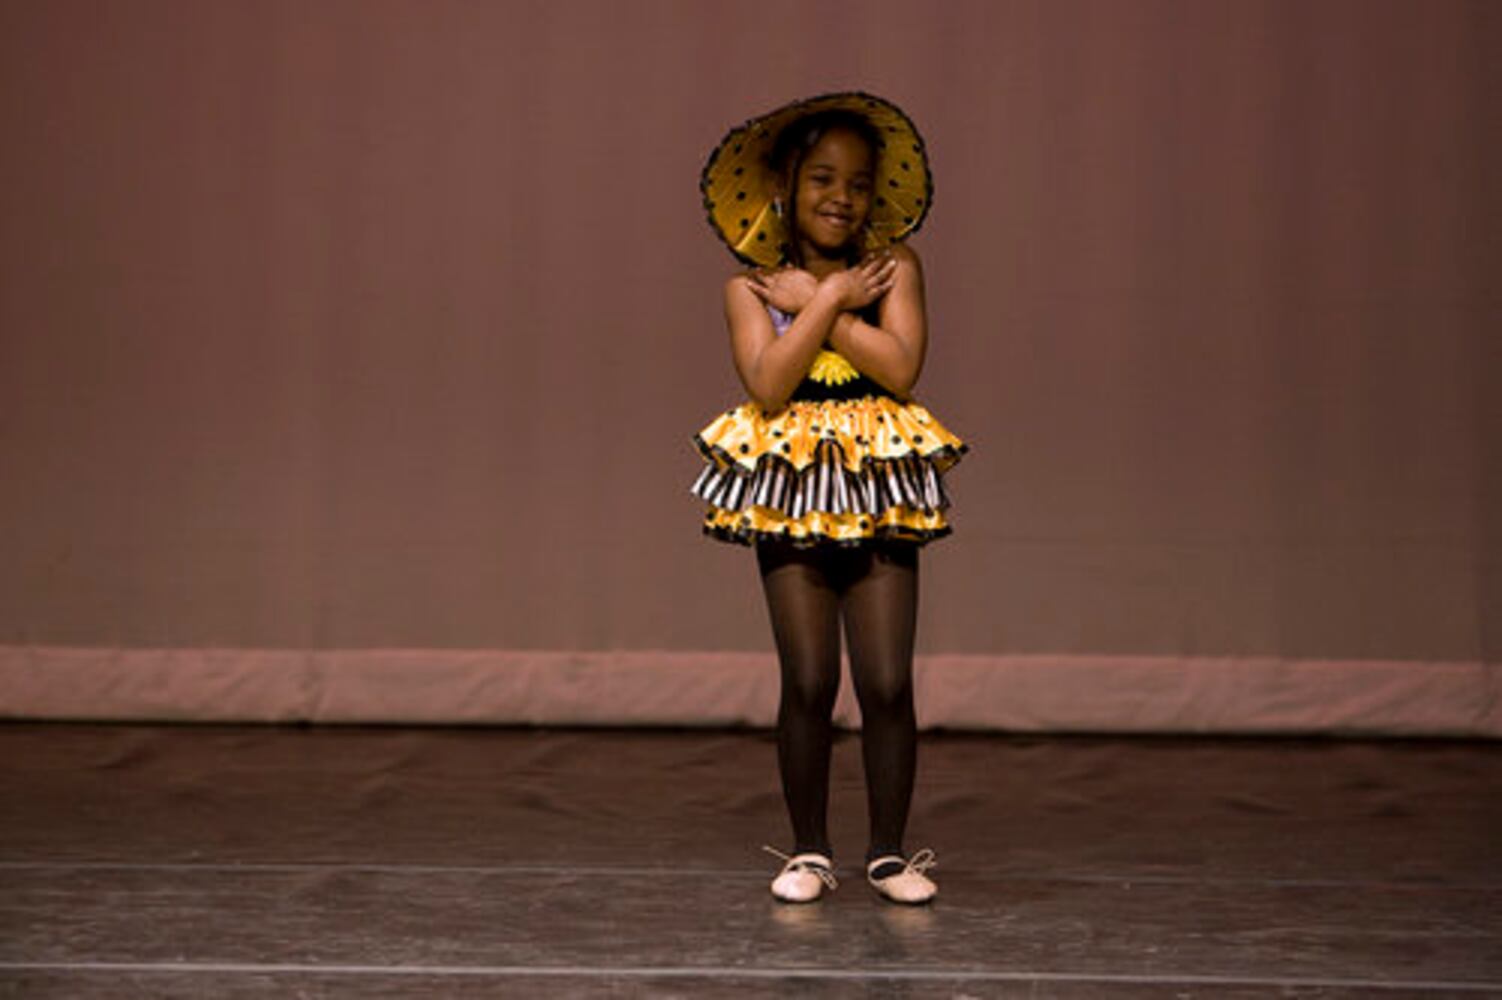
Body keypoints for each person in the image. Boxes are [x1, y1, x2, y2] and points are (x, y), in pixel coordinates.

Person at [691, 93, 966, 906]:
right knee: (808, 678)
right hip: (793, 487)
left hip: (878, 483)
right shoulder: (750, 288)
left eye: (857, 181)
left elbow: (900, 366)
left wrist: (828, 301)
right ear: (786, 184)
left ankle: (888, 853)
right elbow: (770, 384)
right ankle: (809, 850)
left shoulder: (894, 269)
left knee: (885, 679)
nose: (841, 195)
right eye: (821, 178)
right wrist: (819, 299)